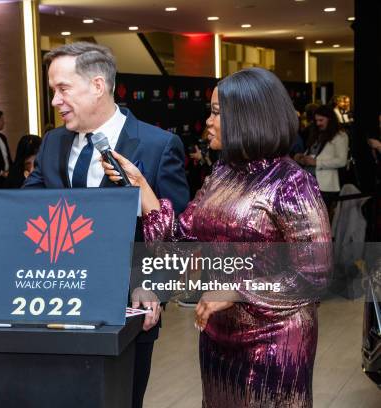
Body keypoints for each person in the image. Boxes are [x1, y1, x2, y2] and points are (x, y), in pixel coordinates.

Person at [0, 42, 189, 408]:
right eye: (53, 91)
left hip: (126, 316)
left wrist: (149, 283)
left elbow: (178, 235)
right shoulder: (54, 143)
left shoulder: (158, 145)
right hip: (55, 306)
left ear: (97, 85)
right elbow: (23, 213)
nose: (56, 101)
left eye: (63, 89)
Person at [102, 67, 332, 407]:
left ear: (248, 117)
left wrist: (238, 292)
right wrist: (141, 186)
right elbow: (180, 240)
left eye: (215, 112)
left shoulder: (291, 182)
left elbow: (315, 276)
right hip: (217, 335)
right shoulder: (223, 174)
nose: (207, 121)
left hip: (274, 340)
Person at [294, 105, 349, 213]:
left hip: (325, 186)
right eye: (316, 120)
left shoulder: (340, 136)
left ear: (330, 119)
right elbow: (313, 153)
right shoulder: (317, 134)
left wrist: (316, 162)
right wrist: (302, 157)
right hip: (308, 182)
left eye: (321, 120)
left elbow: (341, 161)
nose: (318, 123)